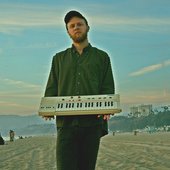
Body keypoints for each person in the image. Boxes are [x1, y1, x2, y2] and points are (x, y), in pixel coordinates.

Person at [43, 10, 115, 170]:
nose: (76, 28)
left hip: (92, 123)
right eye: (72, 26)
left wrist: (108, 107)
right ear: (68, 31)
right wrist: (47, 107)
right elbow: (52, 85)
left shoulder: (102, 57)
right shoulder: (58, 59)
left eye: (80, 24)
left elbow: (107, 85)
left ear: (87, 27)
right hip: (66, 124)